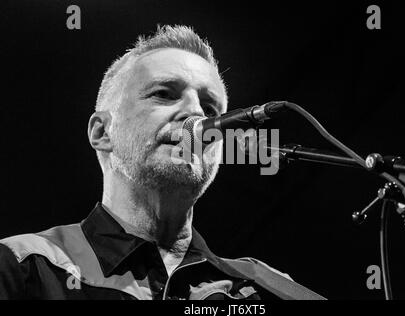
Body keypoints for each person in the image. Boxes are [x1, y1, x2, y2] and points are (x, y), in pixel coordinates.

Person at [0, 25, 324, 300]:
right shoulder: (22, 266)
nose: (196, 114)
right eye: (164, 94)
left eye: (211, 109)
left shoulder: (268, 288)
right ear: (102, 131)